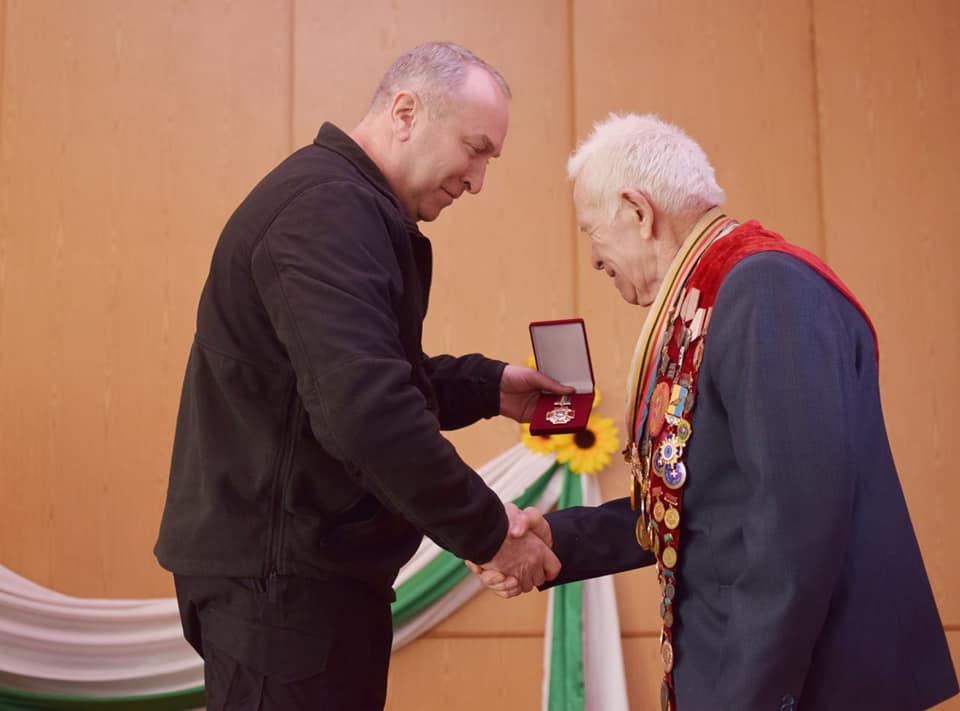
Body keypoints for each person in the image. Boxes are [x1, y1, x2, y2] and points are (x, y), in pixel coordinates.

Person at [470, 113, 959, 711]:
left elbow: (794, 530)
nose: (594, 260)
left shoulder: (765, 288)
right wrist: (558, 539)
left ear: (638, 211)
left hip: (799, 688)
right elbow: (701, 502)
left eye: (592, 232)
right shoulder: (706, 296)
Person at [154, 42, 566, 711]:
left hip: (296, 585)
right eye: (475, 149)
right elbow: (366, 412)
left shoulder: (339, 203)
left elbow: (345, 383)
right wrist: (490, 531)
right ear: (405, 112)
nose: (478, 181)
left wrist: (489, 387)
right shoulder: (325, 211)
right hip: (282, 591)